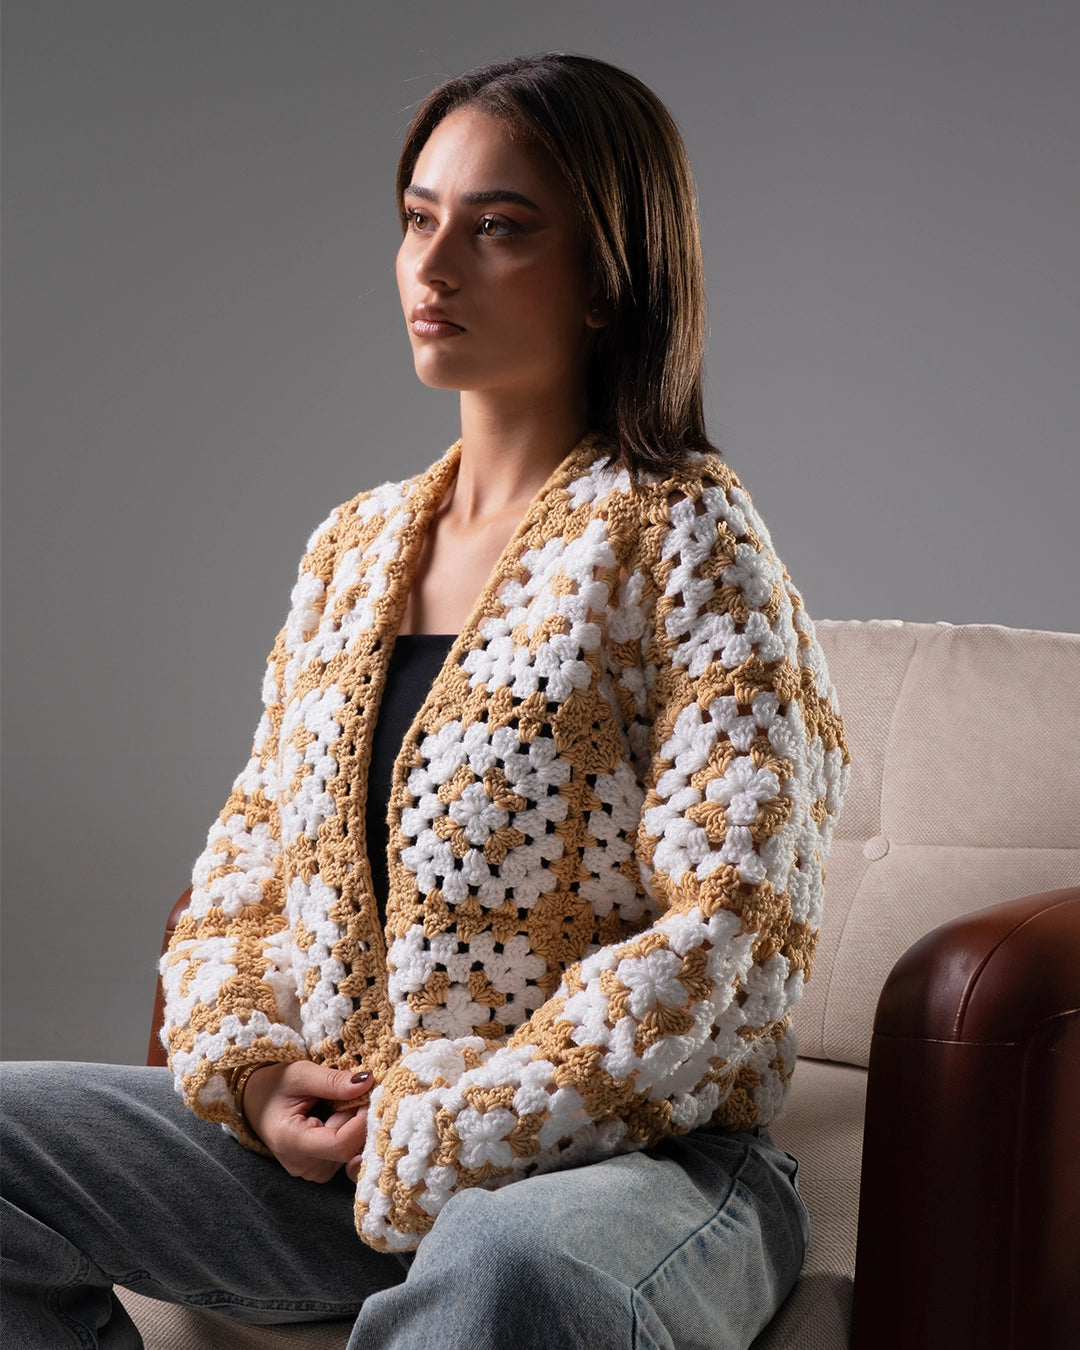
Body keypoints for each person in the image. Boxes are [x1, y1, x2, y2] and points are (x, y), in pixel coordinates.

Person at [1, 53, 849, 1349]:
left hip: (638, 1166)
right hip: (360, 1161)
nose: (433, 265)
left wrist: (458, 1131)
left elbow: (731, 931)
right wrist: (256, 1071)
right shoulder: (353, 552)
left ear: (609, 277)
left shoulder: (686, 541)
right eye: (418, 217)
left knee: (506, 1261)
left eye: (497, 226)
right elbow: (246, 877)